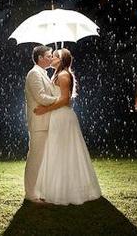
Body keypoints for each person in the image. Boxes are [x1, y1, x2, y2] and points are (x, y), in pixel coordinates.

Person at [34, 48, 101, 205]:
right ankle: (57, 189)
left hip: (63, 116)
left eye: (55, 56)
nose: (51, 59)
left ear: (61, 60)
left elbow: (64, 100)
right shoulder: (57, 74)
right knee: (58, 150)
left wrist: (45, 109)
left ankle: (65, 192)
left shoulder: (63, 75)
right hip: (58, 116)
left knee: (64, 151)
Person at [24, 45, 59, 203]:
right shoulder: (33, 74)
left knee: (44, 160)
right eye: (49, 55)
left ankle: (41, 190)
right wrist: (61, 101)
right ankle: (30, 194)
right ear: (40, 58)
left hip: (47, 122)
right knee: (35, 159)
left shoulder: (44, 74)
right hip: (39, 123)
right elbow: (40, 97)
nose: (51, 58)